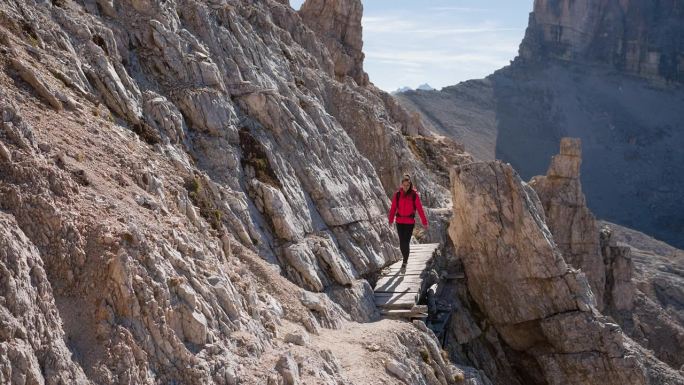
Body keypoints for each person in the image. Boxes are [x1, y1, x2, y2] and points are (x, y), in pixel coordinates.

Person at [388, 173, 428, 269]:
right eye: (404, 185)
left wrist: (424, 221)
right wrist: (390, 220)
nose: (406, 187)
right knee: (402, 242)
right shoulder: (397, 195)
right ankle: (405, 258)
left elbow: (420, 209)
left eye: (408, 185)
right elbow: (393, 208)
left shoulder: (414, 195)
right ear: (401, 184)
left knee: (406, 242)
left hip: (409, 222)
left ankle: (405, 261)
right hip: (399, 221)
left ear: (410, 185)